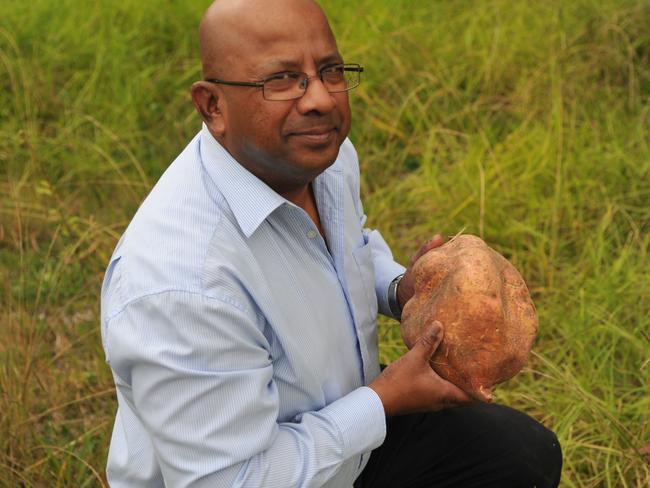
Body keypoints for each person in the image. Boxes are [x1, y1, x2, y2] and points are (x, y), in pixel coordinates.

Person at [100, 0, 562, 486]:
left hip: (341, 423)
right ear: (212, 105)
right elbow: (232, 478)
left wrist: (403, 288)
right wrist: (384, 401)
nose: (320, 98)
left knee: (523, 458)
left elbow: (346, 248)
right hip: (262, 466)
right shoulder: (181, 284)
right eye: (281, 79)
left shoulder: (320, 155)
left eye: (330, 70)